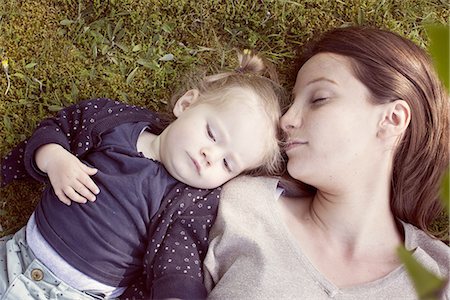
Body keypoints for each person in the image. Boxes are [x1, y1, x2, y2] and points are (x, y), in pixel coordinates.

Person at [0, 51, 284, 299]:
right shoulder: (116, 123)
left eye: (227, 163)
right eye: (211, 134)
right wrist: (55, 159)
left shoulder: (191, 202)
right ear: (186, 104)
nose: (210, 155)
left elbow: (179, 256)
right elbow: (61, 127)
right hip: (15, 254)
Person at [204, 26, 450, 299]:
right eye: (292, 103)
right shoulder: (239, 205)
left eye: (319, 99)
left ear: (392, 120)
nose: (286, 120)